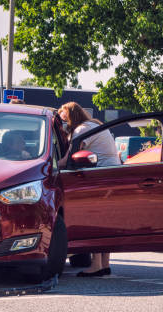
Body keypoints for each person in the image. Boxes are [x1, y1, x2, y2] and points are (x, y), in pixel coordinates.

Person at [58, 101, 121, 277]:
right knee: (105, 222)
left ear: (71, 117)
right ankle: (105, 264)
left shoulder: (81, 130)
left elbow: (68, 159)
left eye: (64, 120)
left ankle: (96, 265)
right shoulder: (95, 125)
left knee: (96, 220)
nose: (64, 124)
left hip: (101, 177)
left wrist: (50, 166)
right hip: (112, 175)